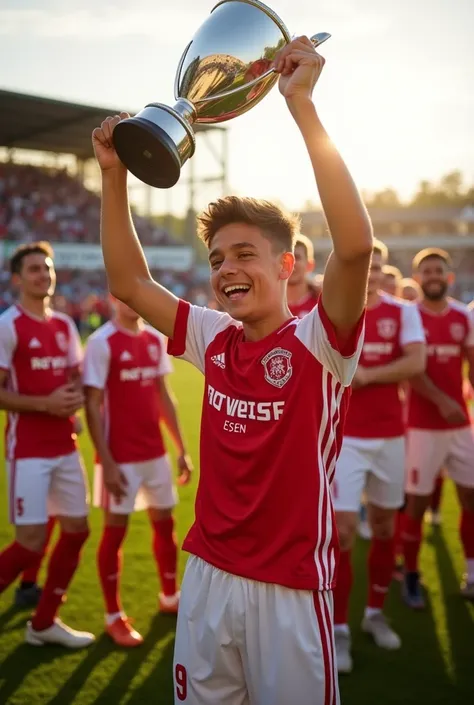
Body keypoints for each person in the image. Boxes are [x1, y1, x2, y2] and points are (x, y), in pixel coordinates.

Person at [92, 36, 373, 705]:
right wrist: (111, 175)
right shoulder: (212, 337)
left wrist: (300, 105)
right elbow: (131, 282)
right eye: (216, 260)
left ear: (288, 265)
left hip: (292, 591)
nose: (225, 270)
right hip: (210, 579)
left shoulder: (319, 340)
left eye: (244, 253)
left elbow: (356, 246)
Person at [331, 240, 425, 673]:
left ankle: (373, 613)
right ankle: (338, 630)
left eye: (377, 266)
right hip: (345, 437)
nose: (369, 272)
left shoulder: (402, 311)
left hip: (391, 437)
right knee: (345, 531)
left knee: (386, 525)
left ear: (384, 269)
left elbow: (415, 362)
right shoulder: (332, 305)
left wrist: (368, 374)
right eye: (363, 263)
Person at [0, 242, 94, 648]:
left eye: (48, 268)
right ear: (18, 278)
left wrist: (73, 403)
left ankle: (43, 623)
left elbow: (73, 375)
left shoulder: (65, 326)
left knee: (77, 530)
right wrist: (46, 404)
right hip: (29, 452)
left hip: (65, 447)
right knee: (31, 542)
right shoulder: (9, 325)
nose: (43, 274)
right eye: (34, 269)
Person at [83, 298, 192, 647]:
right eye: (123, 296)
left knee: (166, 523)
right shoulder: (102, 342)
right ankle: (113, 615)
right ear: (114, 299)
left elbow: (163, 395)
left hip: (154, 455)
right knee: (115, 533)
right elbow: (92, 405)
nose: (130, 302)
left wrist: (181, 449)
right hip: (119, 459)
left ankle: (169, 596)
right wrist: (107, 461)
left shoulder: (152, 339)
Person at [402, 248, 474, 608]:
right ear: (417, 279)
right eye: (425, 270)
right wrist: (443, 401)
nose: (432, 276)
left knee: (470, 498)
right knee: (415, 505)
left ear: (448, 277)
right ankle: (412, 577)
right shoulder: (408, 316)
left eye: (438, 271)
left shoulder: (464, 316)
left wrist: (459, 403)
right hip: (421, 426)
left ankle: (472, 574)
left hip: (461, 426)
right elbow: (411, 371)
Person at [287, 233, 321, 317]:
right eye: (287, 258)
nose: (292, 264)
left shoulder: (322, 304)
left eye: (297, 257)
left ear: (310, 265)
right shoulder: (269, 305)